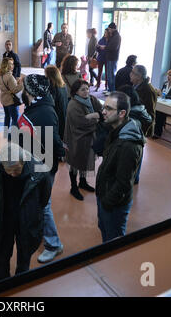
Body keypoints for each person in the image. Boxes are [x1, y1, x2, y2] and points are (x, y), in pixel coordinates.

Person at [17, 74, 66, 264]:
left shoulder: (43, 112)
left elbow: (51, 141)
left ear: (29, 91)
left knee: (43, 205)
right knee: (39, 204)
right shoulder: (38, 107)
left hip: (41, 167)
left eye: (24, 87)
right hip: (35, 163)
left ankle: (54, 245)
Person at [0, 143, 51, 281]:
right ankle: (1, 282)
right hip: (4, 219)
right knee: (1, 254)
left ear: (24, 161)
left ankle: (21, 282)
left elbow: (44, 200)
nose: (13, 175)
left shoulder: (40, 172)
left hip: (27, 221)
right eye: (9, 171)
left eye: (17, 170)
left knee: (24, 256)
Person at [95, 92, 145, 242]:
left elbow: (124, 183)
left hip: (114, 204)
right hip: (106, 194)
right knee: (104, 230)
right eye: (104, 107)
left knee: (113, 241)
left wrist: (106, 202)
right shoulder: (115, 131)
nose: (103, 111)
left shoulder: (128, 145)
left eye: (108, 109)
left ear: (122, 113)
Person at [64, 79, 103, 201]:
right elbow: (80, 122)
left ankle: (82, 182)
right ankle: (73, 187)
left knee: (85, 160)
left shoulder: (92, 99)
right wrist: (97, 118)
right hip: (76, 138)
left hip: (88, 138)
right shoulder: (73, 104)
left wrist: (95, 115)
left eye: (87, 88)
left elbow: (102, 111)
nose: (86, 91)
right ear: (76, 92)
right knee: (75, 163)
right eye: (82, 89)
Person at [118, 85, 152, 185]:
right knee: (137, 159)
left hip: (127, 139)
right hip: (138, 138)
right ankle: (135, 178)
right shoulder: (140, 108)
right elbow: (149, 120)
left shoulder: (127, 110)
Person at [153, 69, 171, 138]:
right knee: (157, 112)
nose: (168, 77)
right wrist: (158, 92)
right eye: (168, 75)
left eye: (170, 75)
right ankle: (154, 130)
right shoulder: (165, 83)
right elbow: (161, 92)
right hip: (163, 103)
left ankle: (157, 133)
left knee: (160, 114)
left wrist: (164, 96)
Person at [130, 65, 157, 137]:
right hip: (134, 123)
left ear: (139, 76)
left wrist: (145, 131)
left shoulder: (148, 90)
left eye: (132, 72)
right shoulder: (135, 86)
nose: (130, 74)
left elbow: (150, 112)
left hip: (140, 127)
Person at [0, 57, 24, 130]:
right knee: (15, 118)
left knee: (7, 116)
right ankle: (13, 135)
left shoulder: (1, 74)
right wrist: (22, 83)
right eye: (10, 64)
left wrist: (16, 82)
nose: (12, 66)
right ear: (6, 65)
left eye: (12, 64)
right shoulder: (9, 76)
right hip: (11, 101)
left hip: (4, 99)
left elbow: (7, 86)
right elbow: (15, 90)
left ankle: (6, 133)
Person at [45, 65, 68, 140]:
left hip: (55, 115)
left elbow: (50, 103)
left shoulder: (52, 87)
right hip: (63, 114)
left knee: (53, 138)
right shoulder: (63, 85)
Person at [100, 23, 121, 93]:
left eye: (109, 29)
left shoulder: (117, 36)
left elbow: (114, 47)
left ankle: (112, 90)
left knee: (111, 75)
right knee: (109, 75)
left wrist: (105, 47)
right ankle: (109, 89)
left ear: (112, 29)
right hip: (109, 58)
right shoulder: (113, 36)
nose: (108, 31)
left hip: (113, 58)